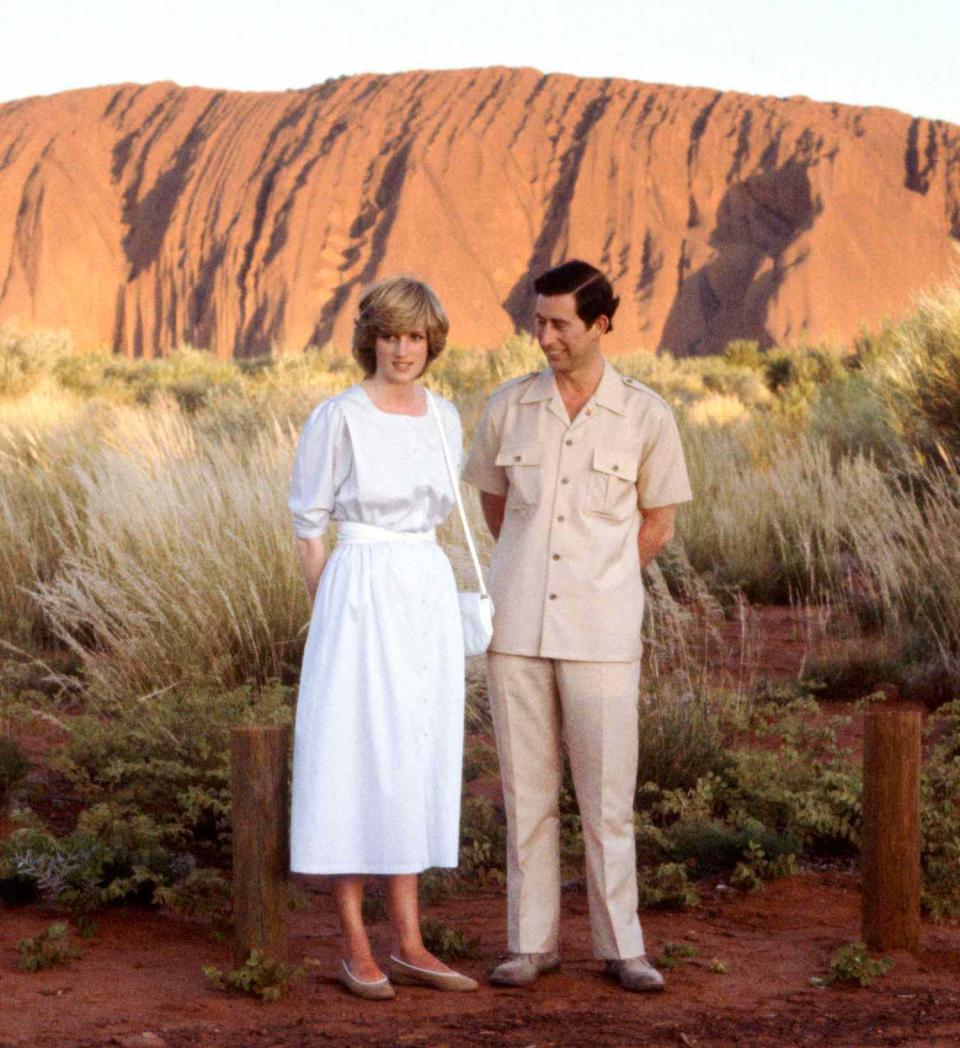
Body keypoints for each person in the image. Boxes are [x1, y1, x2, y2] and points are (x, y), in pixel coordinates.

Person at [463, 260, 692, 993]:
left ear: (599, 324)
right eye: (538, 322)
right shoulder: (508, 407)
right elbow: (495, 508)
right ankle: (530, 945)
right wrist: (532, 568)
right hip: (517, 627)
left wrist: (600, 574)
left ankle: (623, 947)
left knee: (606, 795)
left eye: (560, 323)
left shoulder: (647, 415)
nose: (545, 336)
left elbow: (658, 520)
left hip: (602, 630)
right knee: (526, 793)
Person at [288, 275, 477, 999]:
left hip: (423, 586)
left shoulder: (445, 416)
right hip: (359, 587)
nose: (404, 349)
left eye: (417, 337)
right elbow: (309, 526)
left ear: (432, 343)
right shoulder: (338, 416)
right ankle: (355, 942)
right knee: (351, 749)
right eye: (392, 335)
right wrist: (332, 608)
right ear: (372, 338)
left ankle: (413, 942)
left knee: (413, 751)